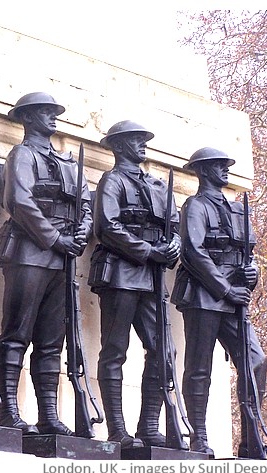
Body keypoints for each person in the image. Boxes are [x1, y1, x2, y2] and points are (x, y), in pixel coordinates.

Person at [171, 147, 267, 459]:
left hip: (235, 297)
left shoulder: (238, 209)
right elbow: (193, 252)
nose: (225, 169)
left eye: (226, 165)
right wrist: (225, 289)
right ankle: (199, 437)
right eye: (218, 165)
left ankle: (252, 440)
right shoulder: (195, 206)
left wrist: (253, 274)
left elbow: (248, 255)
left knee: (256, 361)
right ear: (203, 170)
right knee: (200, 369)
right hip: (204, 295)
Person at [0, 92, 92, 436]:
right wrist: (55, 238)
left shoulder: (68, 163)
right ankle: (7, 411)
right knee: (16, 334)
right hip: (29, 253)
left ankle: (48, 413)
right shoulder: (22, 154)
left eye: (54, 112)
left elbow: (86, 207)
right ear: (29, 119)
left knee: (52, 341)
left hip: (62, 258)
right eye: (45, 112)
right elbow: (19, 201)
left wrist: (79, 235)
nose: (52, 117)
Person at [87, 121, 181, 448]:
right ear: (119, 146)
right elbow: (107, 227)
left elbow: (176, 226)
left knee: (163, 351)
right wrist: (148, 251)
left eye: (144, 139)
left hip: (152, 278)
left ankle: (149, 426)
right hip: (121, 274)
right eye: (136, 140)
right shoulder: (112, 181)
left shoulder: (157, 185)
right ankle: (117, 429)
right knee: (115, 351)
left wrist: (174, 246)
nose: (143, 144)